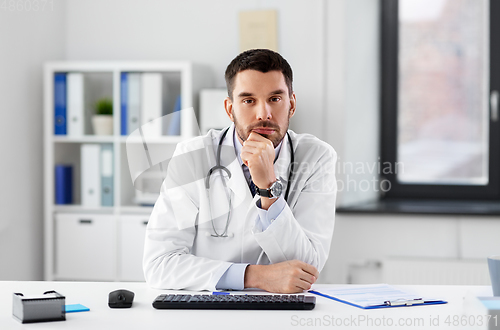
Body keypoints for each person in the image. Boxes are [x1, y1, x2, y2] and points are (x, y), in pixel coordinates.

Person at [143, 49, 337, 293]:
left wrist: (269, 189)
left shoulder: (317, 157)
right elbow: (159, 265)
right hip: (210, 308)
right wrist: (255, 276)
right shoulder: (191, 156)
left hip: (282, 310)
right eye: (248, 100)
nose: (263, 114)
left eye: (275, 99)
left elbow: (307, 269)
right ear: (229, 109)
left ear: (292, 104)